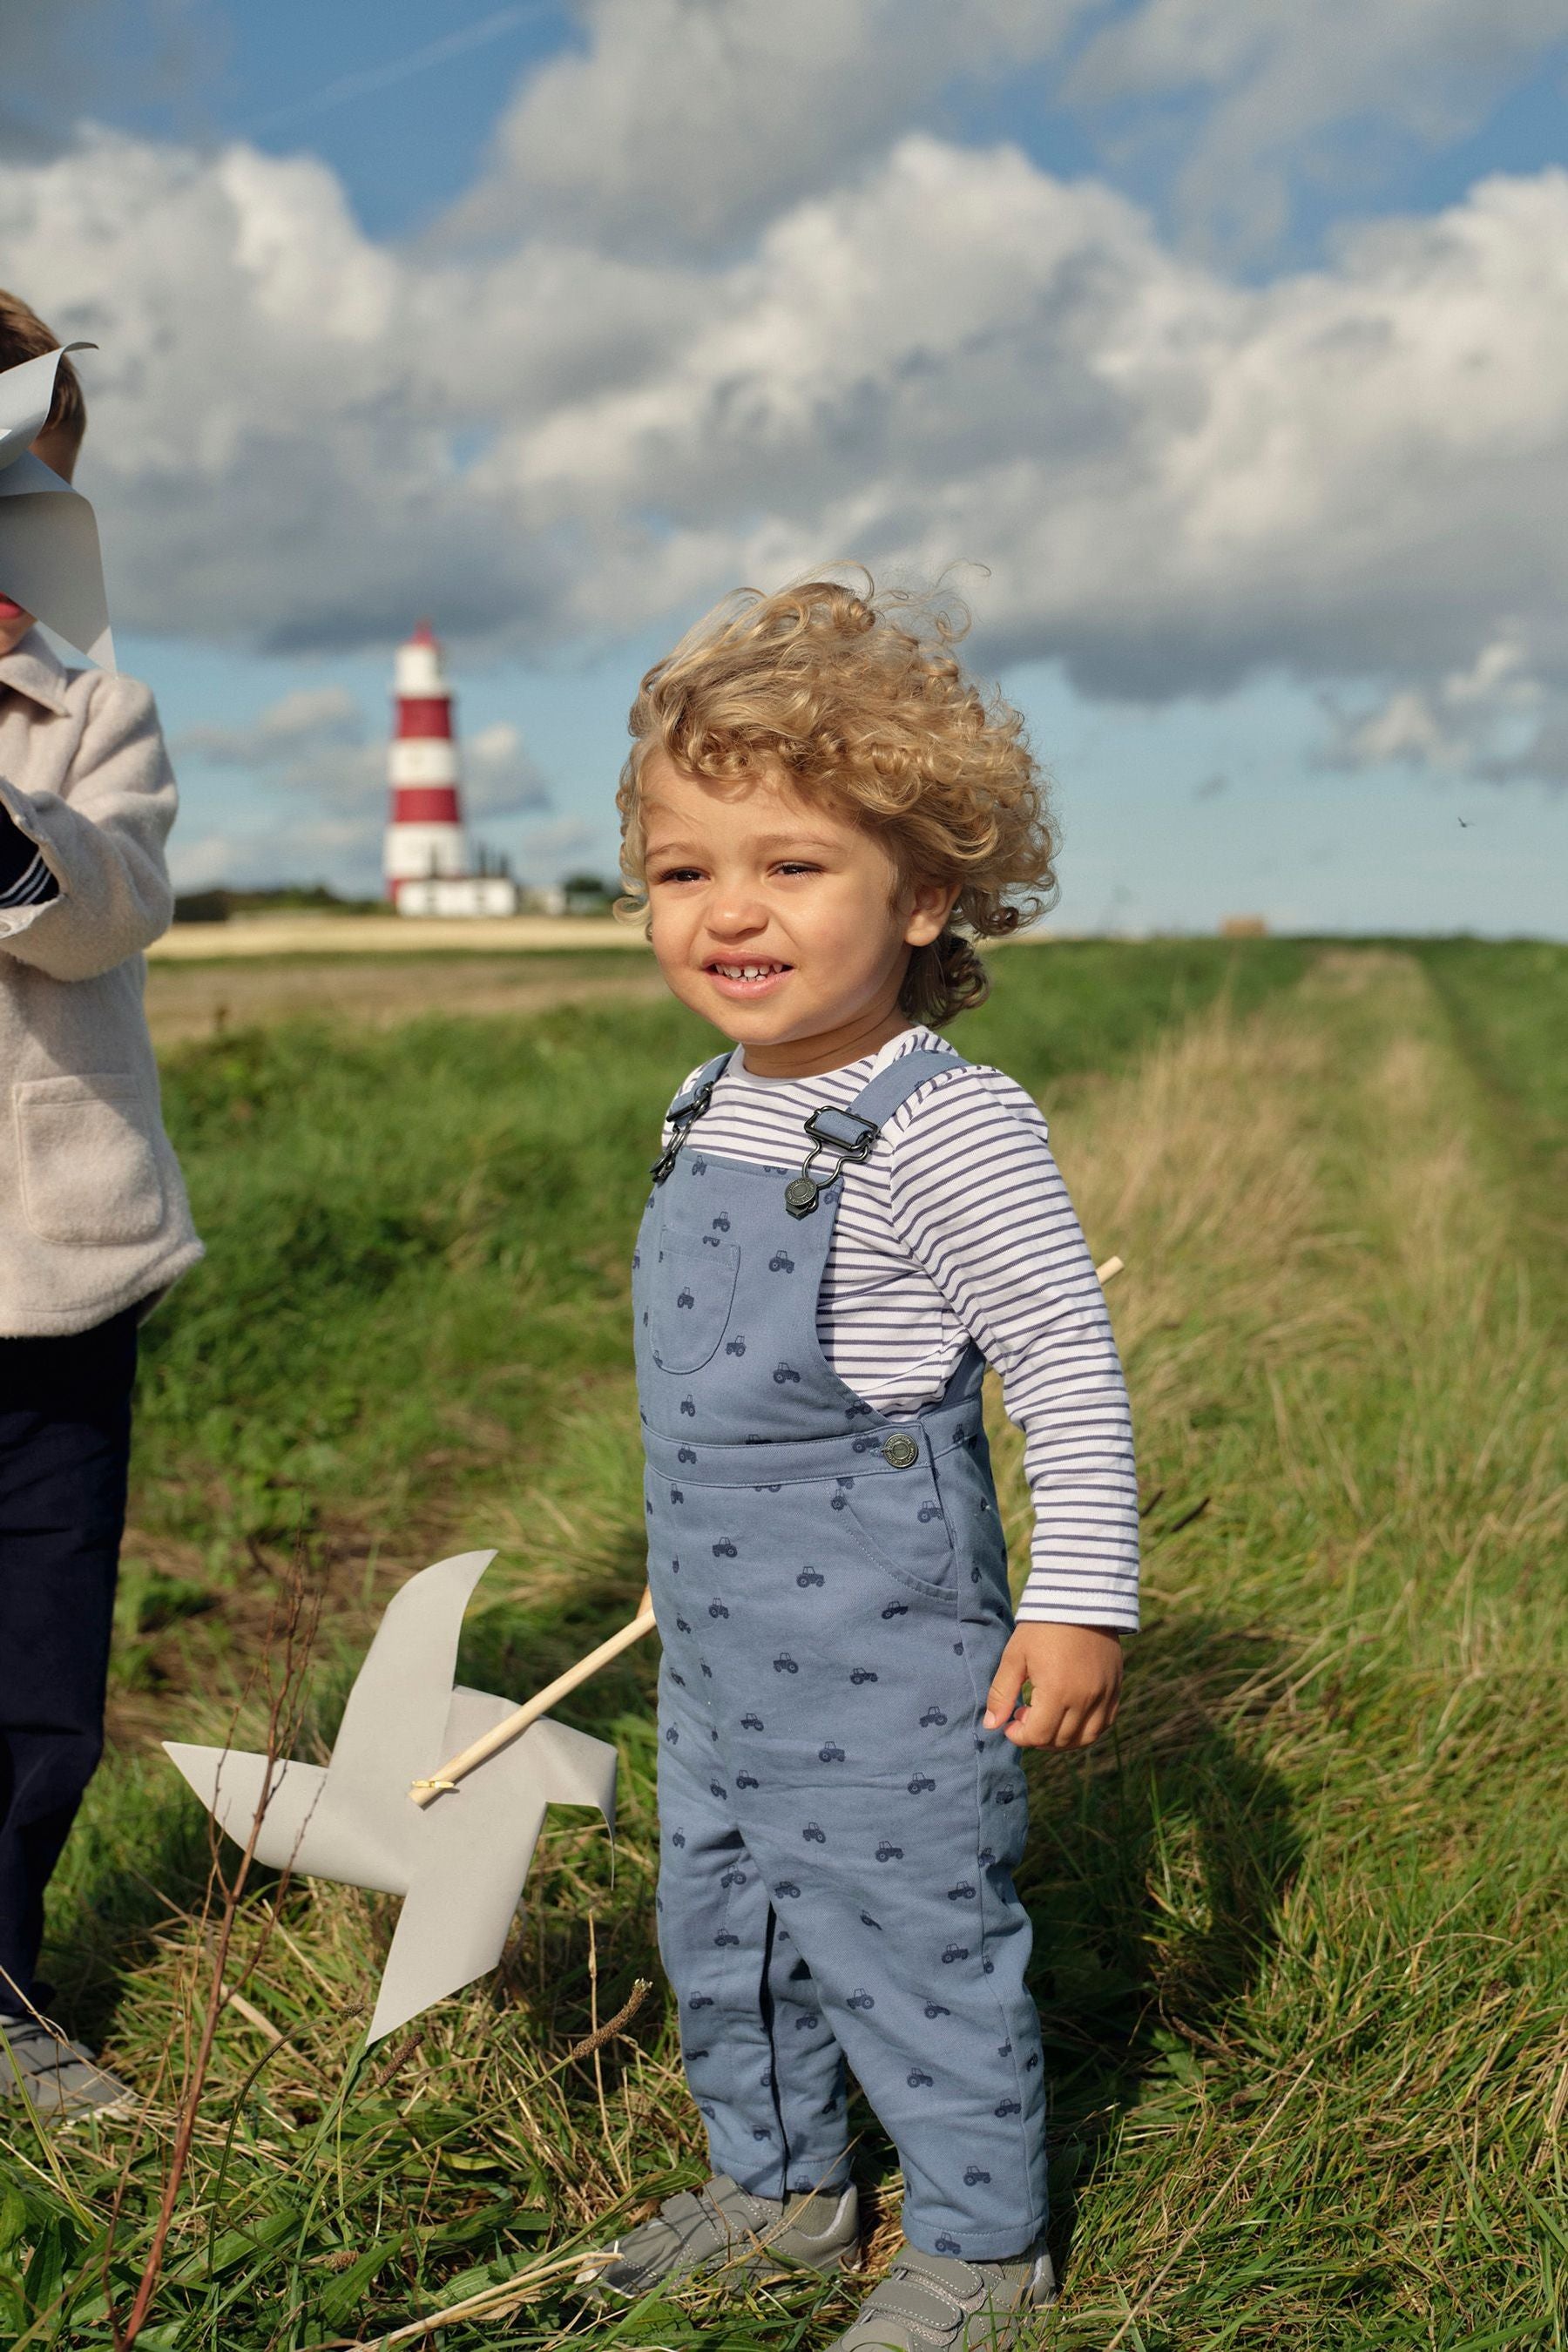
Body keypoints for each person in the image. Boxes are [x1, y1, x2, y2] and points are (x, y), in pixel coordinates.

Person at [578, 578, 1139, 2348]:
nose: (729, 912)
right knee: (725, 1925)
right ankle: (782, 2193)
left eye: (792, 866)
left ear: (929, 891)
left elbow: (1064, 1361)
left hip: (888, 1649)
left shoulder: (944, 1123)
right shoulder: (706, 1096)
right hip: (728, 1647)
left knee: (906, 1937)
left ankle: (981, 2247)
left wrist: (1080, 1596)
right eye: (684, 871)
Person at [0, 293, 201, 2121]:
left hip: (45, 1277)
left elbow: (113, 900)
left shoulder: (88, 711)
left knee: (36, 1662)